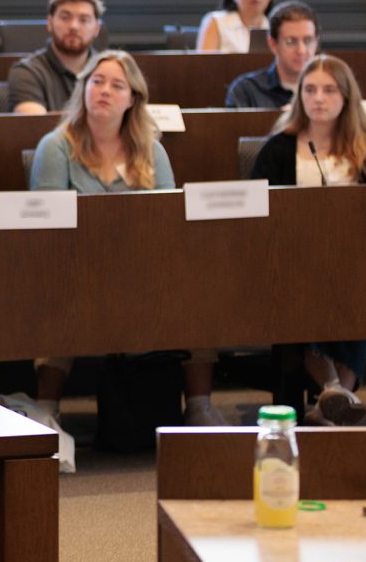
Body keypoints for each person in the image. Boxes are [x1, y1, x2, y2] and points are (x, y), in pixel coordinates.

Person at [29, 50, 224, 427]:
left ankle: (200, 405)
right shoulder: (55, 147)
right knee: (55, 293)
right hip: (75, 267)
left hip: (144, 269)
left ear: (132, 98)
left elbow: (168, 223)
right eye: (97, 82)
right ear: (83, 89)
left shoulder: (151, 149)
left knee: (196, 290)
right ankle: (47, 408)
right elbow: (47, 227)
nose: (104, 91)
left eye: (117, 85)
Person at [250, 54, 366, 425]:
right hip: (291, 261)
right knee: (302, 286)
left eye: (329, 90)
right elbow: (255, 212)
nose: (318, 98)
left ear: (347, 98)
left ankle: (331, 397)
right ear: (299, 96)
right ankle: (337, 392)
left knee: (359, 285)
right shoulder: (278, 149)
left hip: (357, 261)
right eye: (310, 90)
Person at [7, 0, 103, 113]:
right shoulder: (27, 72)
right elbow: (34, 126)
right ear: (50, 23)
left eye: (84, 20)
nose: (74, 26)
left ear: (97, 28)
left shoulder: (109, 71)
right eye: (65, 17)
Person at [225, 0, 321, 108]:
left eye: (308, 41)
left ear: (316, 41)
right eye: (291, 42)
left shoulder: (332, 89)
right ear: (273, 44)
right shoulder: (246, 90)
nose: (301, 50)